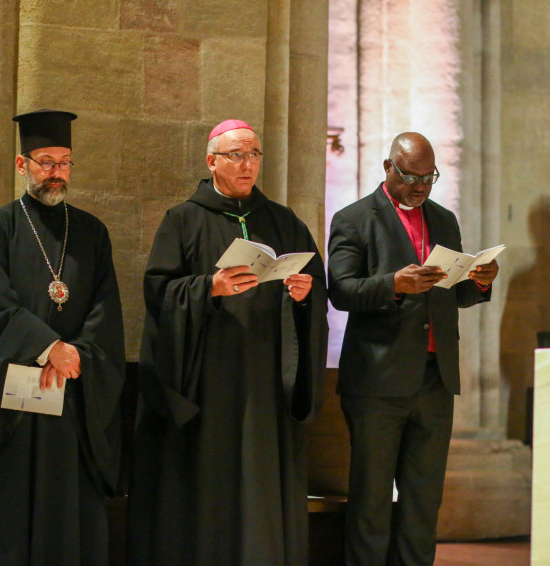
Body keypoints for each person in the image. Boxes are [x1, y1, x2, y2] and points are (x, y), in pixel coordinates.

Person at [127, 119, 328, 566]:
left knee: (260, 482)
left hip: (266, 381)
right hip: (209, 383)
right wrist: (209, 287)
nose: (247, 164)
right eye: (236, 155)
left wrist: (304, 295)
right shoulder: (183, 220)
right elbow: (159, 293)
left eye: (254, 154)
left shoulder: (283, 221)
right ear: (211, 161)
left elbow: (317, 289)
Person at [0, 109, 126, 565]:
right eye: (46, 162)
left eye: (64, 163)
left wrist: (77, 354)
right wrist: (49, 347)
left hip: (70, 396)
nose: (56, 173)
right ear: (22, 164)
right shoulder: (0, 226)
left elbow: (106, 308)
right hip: (10, 405)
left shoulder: (91, 231)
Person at [328, 132, 498, 566]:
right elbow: (341, 290)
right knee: (371, 500)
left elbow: (456, 294)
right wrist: (394, 284)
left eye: (428, 178)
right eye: (410, 177)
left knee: (423, 501)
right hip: (377, 381)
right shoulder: (354, 219)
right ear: (388, 167)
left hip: (435, 379)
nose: (420, 187)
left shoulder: (443, 219)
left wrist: (479, 281)